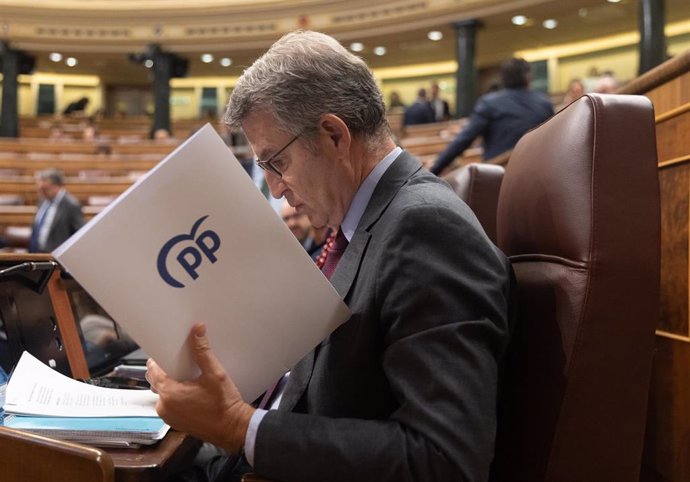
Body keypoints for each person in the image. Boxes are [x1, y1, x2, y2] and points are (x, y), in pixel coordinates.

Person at [146, 30, 513, 482]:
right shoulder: (357, 223)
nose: (277, 190)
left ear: (333, 135)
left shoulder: (426, 230)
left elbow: (443, 460)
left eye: (276, 163)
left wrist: (239, 427)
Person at [430, 58, 554, 175]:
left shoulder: (489, 103)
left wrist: (433, 170)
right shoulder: (545, 104)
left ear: (503, 79)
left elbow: (463, 140)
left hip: (498, 176)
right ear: (529, 78)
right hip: (537, 175)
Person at [28, 169, 85, 253]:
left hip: (56, 256)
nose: (41, 191)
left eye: (44, 188)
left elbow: (80, 233)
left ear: (56, 185)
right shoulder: (43, 201)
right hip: (37, 253)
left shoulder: (71, 205)